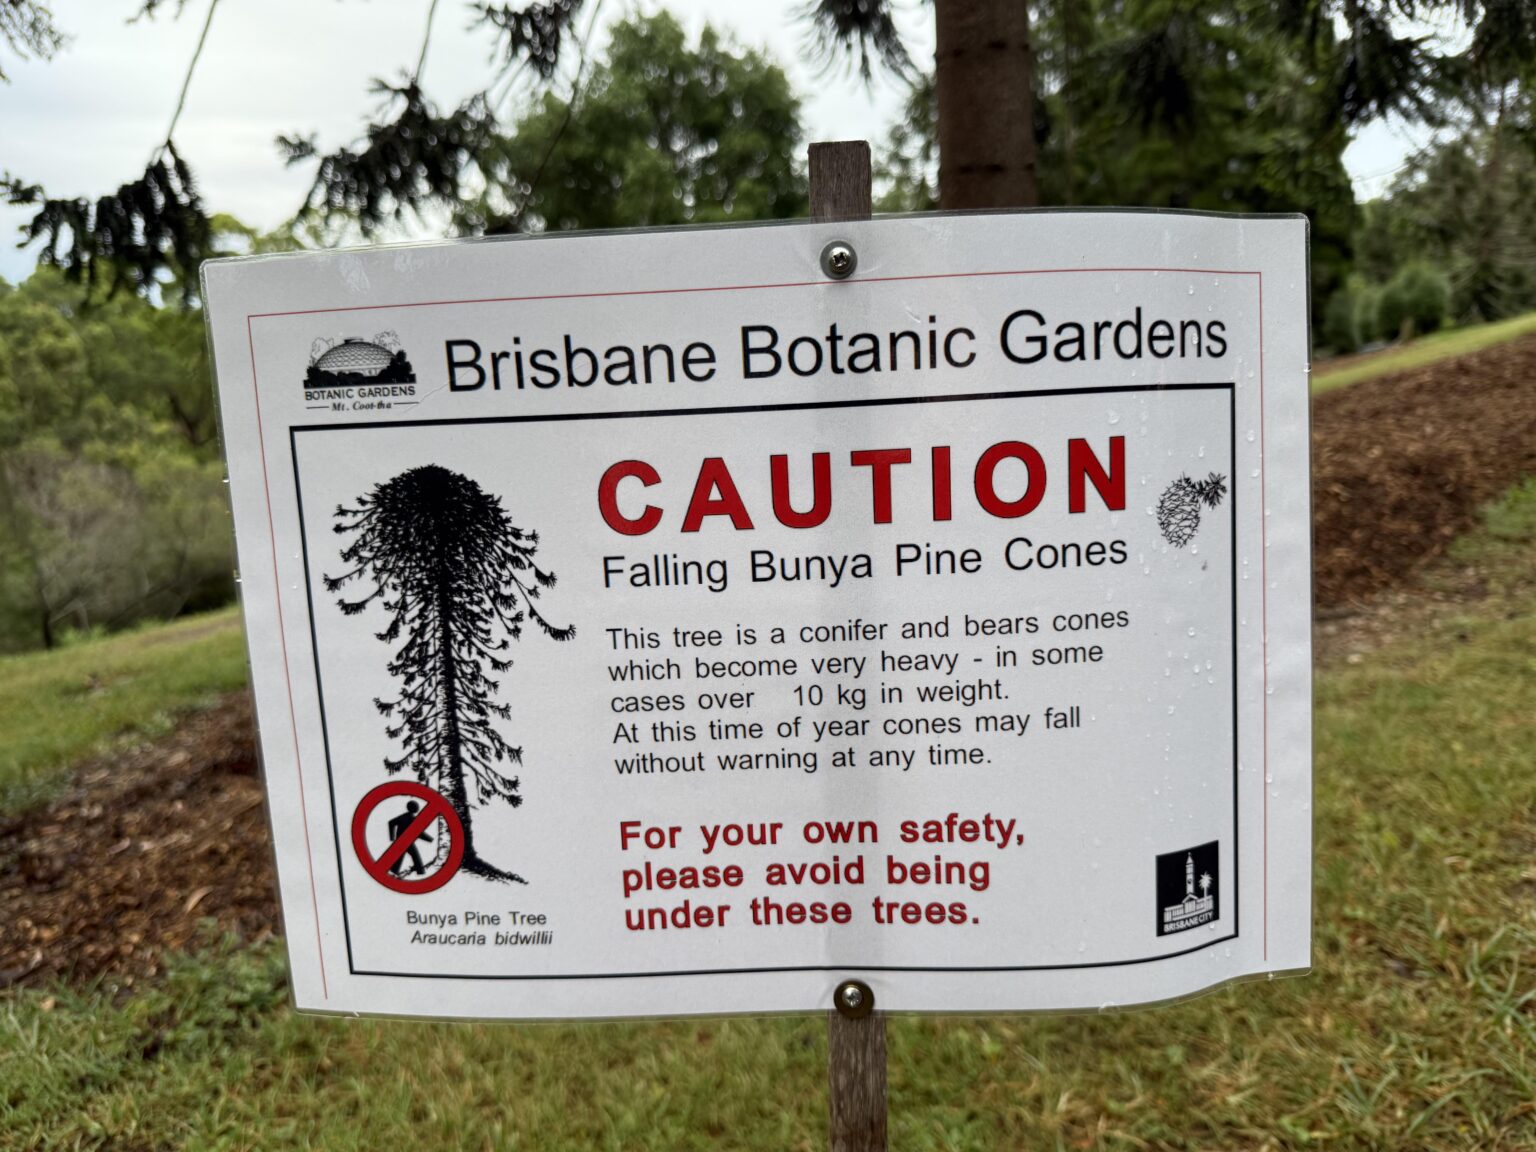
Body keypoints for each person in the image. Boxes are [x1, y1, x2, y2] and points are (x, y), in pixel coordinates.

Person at [387, 800, 434, 876]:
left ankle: (394, 871)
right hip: (406, 842)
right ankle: (420, 871)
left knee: (401, 856)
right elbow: (419, 833)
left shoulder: (404, 816)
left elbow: (391, 822)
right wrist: (430, 840)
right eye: (416, 807)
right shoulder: (412, 819)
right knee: (415, 855)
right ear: (414, 808)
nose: (418, 808)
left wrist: (392, 838)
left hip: (401, 841)